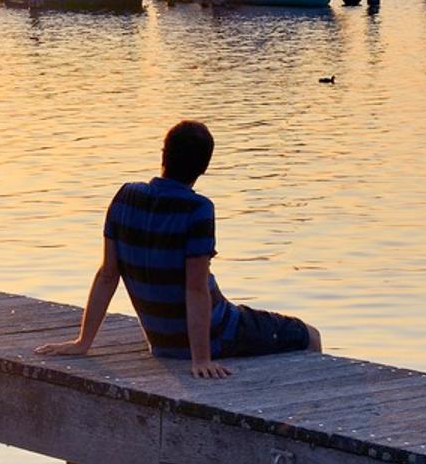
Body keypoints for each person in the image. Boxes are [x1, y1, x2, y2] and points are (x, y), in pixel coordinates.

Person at [35, 121, 321, 379]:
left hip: (161, 343)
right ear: (204, 167)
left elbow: (108, 275)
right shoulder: (198, 209)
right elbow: (195, 288)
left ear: (163, 154)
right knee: (308, 335)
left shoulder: (125, 197)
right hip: (219, 332)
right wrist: (201, 359)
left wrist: (83, 342)